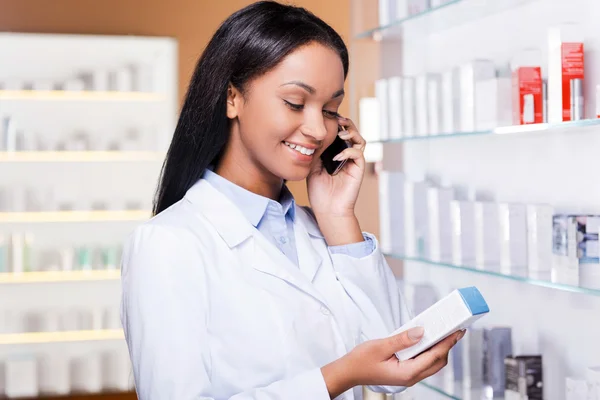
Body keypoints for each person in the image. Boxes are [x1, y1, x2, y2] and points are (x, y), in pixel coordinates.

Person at [119, 1, 464, 399]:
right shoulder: (168, 244)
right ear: (233, 97)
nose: (318, 128)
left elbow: (395, 363)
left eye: (331, 108)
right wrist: (337, 376)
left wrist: (338, 217)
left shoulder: (323, 230)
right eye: (296, 103)